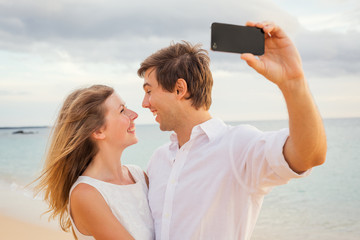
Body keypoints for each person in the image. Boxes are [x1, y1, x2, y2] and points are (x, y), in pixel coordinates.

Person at [137, 21, 327, 240]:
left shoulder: (237, 146)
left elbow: (309, 156)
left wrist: (293, 83)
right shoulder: (159, 159)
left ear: (180, 89)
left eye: (149, 91)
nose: (144, 103)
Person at [35, 85, 154, 240]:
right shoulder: (86, 194)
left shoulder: (138, 175)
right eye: (122, 110)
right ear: (98, 131)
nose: (134, 115)